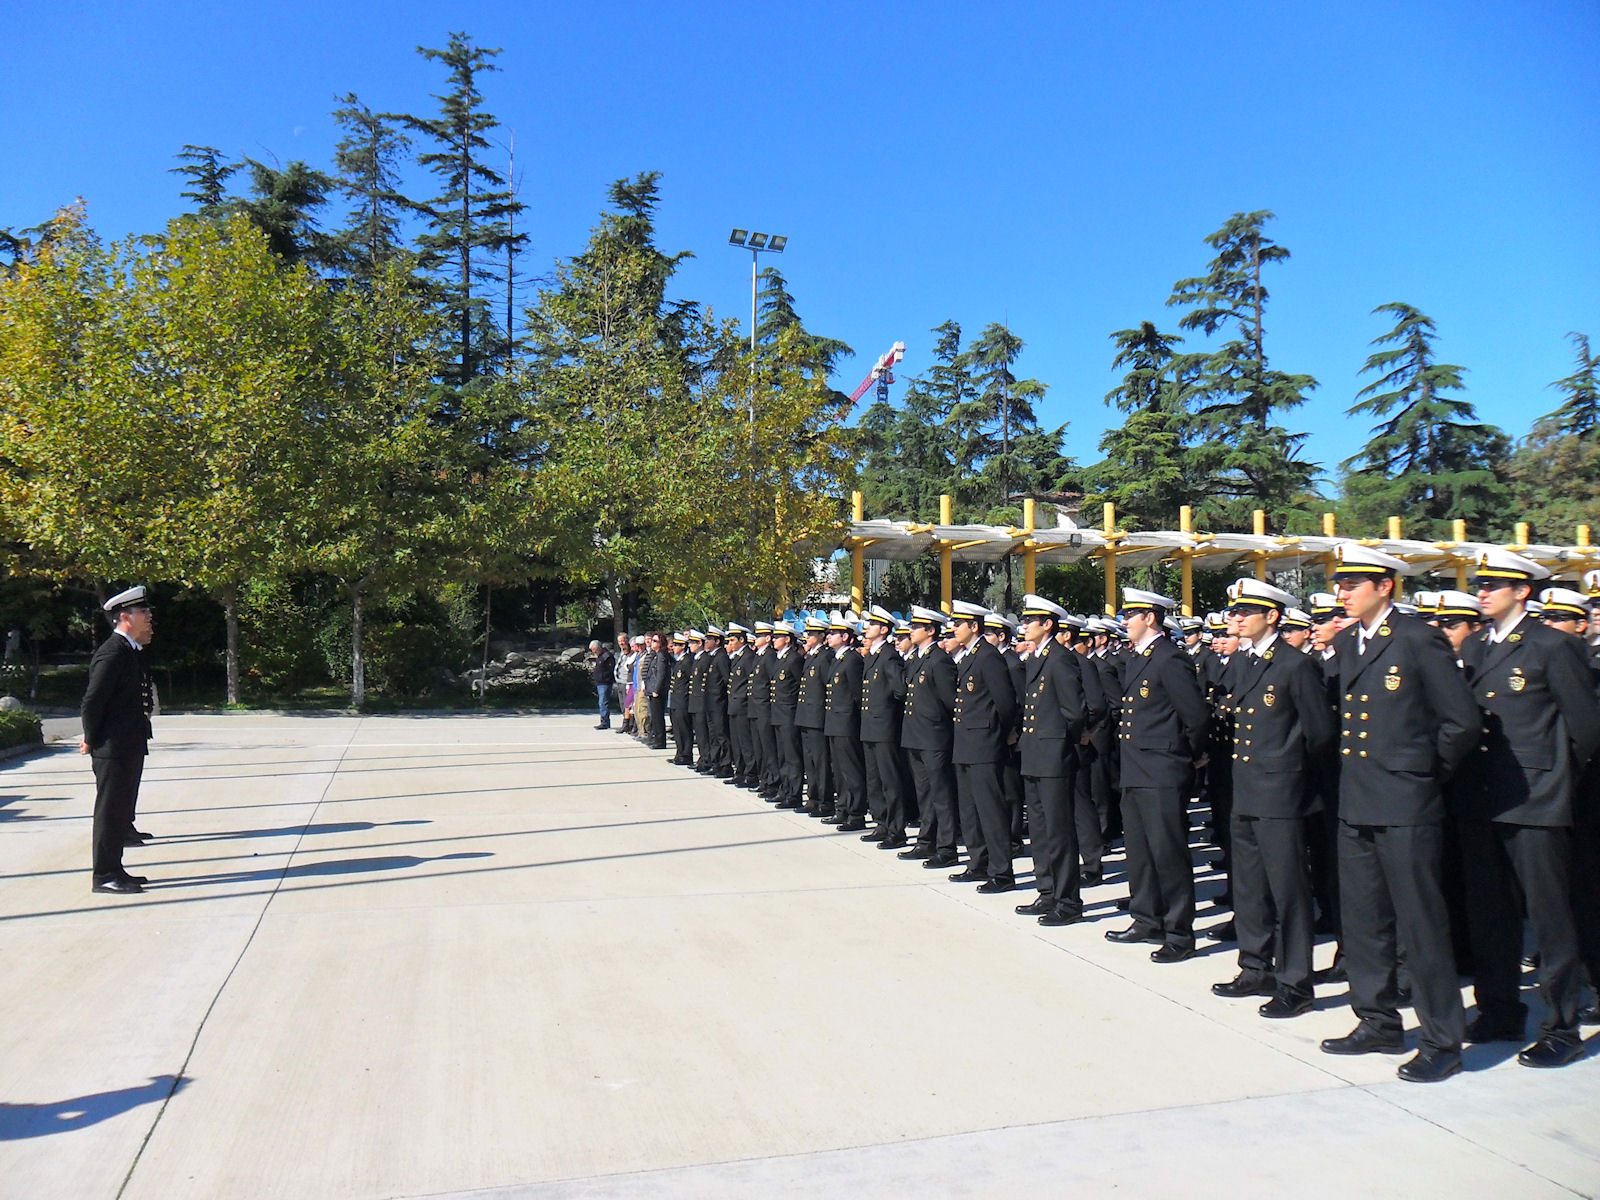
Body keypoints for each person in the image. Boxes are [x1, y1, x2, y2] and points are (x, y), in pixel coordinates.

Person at [1319, 544, 1478, 1084]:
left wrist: (1421, 776)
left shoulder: (1415, 637)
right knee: (1364, 921)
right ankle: (1377, 1019)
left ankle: (1442, 1038)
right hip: (1358, 799)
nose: (1341, 592)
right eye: (1340, 583)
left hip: (1406, 801)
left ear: (1384, 585)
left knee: (1421, 923)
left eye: (1352, 583)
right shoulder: (1349, 642)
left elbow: (1460, 723)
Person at [1457, 552, 1600, 1068]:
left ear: (1523, 591)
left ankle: (1562, 1026)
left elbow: (1585, 727)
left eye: (1495, 584)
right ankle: (1499, 1009)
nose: (1484, 591)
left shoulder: (1554, 645)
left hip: (1537, 797)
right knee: (1491, 914)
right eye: (1481, 583)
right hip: (1484, 798)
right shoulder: (1474, 646)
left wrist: (1560, 781)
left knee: (1550, 916)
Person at [1209, 579, 1335, 1017]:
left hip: (1281, 792)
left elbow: (1320, 734)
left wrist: (1294, 778)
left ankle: (1295, 981)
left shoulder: (1295, 665)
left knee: (1289, 891)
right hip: (1246, 789)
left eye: (1246, 612)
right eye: (1235, 611)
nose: (1236, 618)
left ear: (1273, 617)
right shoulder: (1244, 662)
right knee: (1249, 888)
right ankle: (1255, 966)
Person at [1105, 587, 1208, 963]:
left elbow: (1194, 716)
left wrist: (1190, 757)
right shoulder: (1139, 658)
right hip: (1136, 768)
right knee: (1140, 850)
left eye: (1130, 615)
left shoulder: (1170, 658)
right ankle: (1146, 917)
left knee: (1168, 853)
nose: (1124, 621)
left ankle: (1179, 932)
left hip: (1163, 769)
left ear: (1150, 618)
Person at [1013, 595, 1088, 926]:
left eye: (1031, 621)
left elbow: (1075, 712)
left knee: (1059, 832)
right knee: (1041, 831)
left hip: (1054, 756)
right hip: (1034, 754)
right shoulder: (1037, 658)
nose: (1024, 626)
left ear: (1048, 624)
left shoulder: (1060, 659)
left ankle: (1068, 900)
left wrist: (1062, 743)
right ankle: (1047, 891)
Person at [81, 586, 157, 895]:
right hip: (112, 747)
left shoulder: (128, 650)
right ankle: (104, 876)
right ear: (124, 617)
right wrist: (90, 738)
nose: (148, 616)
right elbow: (92, 701)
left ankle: (116, 868)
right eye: (143, 613)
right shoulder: (113, 652)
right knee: (110, 812)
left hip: (127, 743)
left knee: (119, 811)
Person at [948, 600, 1019, 892]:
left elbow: (1005, 702)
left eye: (958, 624)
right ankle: (977, 863)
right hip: (966, 742)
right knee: (969, 809)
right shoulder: (969, 656)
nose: (953, 628)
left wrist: (998, 734)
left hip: (984, 743)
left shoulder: (988, 656)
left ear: (973, 626)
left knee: (990, 810)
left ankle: (1001, 872)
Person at [899, 606, 959, 867]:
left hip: (934, 736)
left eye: (916, 627)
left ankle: (946, 847)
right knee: (924, 793)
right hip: (916, 735)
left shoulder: (940, 659)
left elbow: (949, 702)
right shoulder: (917, 658)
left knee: (941, 794)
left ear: (931, 630)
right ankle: (926, 841)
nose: (911, 630)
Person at [858, 606, 907, 847]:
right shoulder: (873, 655)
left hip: (884, 728)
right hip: (870, 726)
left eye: (871, 625)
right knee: (874, 778)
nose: (866, 628)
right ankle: (882, 822)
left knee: (890, 780)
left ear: (884, 629)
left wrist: (888, 714)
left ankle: (896, 829)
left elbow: (900, 690)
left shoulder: (889, 655)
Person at [642, 632, 670, 750]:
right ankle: (656, 739)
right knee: (654, 716)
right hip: (651, 688)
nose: (652, 643)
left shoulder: (662, 655)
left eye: (655, 641)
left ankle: (660, 741)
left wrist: (656, 690)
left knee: (658, 717)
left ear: (660, 643)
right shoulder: (656, 655)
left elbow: (661, 674)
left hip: (657, 691)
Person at [590, 639, 616, 731]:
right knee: (601, 702)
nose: (593, 652)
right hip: (600, 683)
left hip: (605, 683)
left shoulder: (607, 656)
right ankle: (603, 721)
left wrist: (605, 678)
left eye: (594, 650)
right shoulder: (600, 656)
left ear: (598, 648)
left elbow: (610, 669)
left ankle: (605, 722)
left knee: (603, 702)